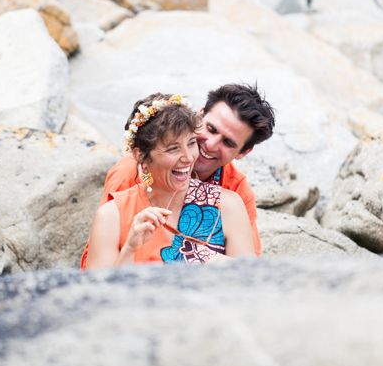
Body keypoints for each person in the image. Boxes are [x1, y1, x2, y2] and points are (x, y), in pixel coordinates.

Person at [81, 84, 275, 268]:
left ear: (243, 152)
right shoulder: (127, 177)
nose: (209, 145)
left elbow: (250, 272)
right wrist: (130, 249)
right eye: (211, 129)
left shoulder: (234, 194)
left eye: (228, 142)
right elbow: (97, 264)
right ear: (199, 117)